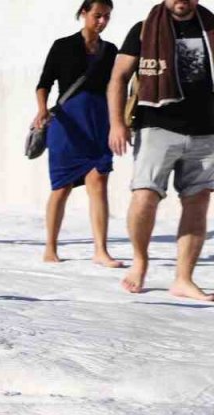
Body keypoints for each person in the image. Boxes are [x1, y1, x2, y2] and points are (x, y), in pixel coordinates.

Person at [108, 0, 214, 301]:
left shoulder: (211, 27)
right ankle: (140, 262)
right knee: (144, 196)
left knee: (198, 201)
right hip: (157, 125)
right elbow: (118, 78)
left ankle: (184, 278)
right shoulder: (144, 30)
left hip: (207, 129)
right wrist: (116, 123)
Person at [35, 1, 123, 267]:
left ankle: (101, 250)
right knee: (61, 186)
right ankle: (50, 247)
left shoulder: (110, 51)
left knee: (99, 183)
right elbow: (44, 83)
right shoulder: (63, 45)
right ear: (84, 13)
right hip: (67, 123)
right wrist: (41, 110)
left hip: (99, 122)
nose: (102, 22)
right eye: (97, 16)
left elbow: (116, 87)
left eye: (107, 17)